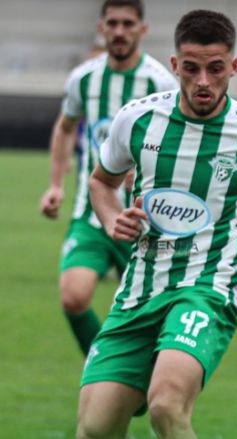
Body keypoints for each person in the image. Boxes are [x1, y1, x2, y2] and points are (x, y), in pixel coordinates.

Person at [81, 9, 237, 439]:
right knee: (96, 429)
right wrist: (113, 219)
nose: (203, 82)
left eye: (215, 69)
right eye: (191, 69)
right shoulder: (136, 119)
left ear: (234, 66)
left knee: (165, 407)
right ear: (175, 65)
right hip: (138, 291)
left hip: (207, 289)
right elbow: (102, 181)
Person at [39, 0, 179, 358]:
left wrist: (147, 164)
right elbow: (65, 127)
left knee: (152, 318)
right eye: (112, 23)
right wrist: (56, 184)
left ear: (142, 30)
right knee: (73, 296)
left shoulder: (160, 81)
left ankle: (138, 374)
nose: (119, 31)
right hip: (92, 211)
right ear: (101, 28)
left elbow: (178, 142)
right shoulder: (84, 78)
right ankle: (102, 365)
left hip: (146, 217)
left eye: (128, 24)